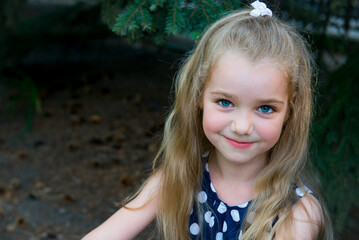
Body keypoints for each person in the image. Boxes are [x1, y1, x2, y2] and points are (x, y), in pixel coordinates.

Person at [82, 1, 333, 239]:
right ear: (199, 95)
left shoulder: (297, 212)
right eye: (225, 102)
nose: (242, 127)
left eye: (265, 108)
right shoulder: (179, 177)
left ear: (290, 110)